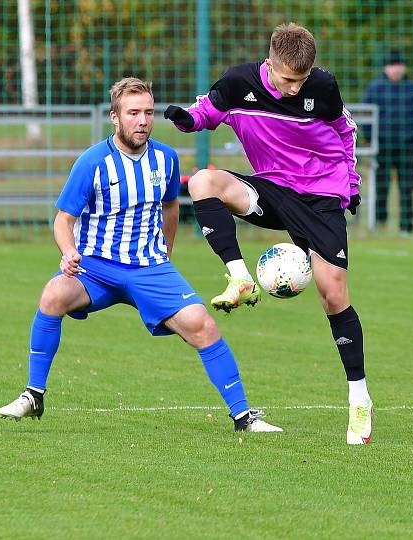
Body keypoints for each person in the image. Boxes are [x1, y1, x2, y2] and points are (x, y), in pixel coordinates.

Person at [0, 78, 282, 434]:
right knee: (53, 296)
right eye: (133, 113)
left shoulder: (166, 158)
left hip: (150, 269)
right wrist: (69, 251)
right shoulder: (92, 162)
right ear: (115, 117)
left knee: (203, 326)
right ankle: (33, 395)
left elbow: (170, 208)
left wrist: (165, 255)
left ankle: (243, 417)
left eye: (148, 112)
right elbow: (63, 220)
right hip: (95, 270)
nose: (143, 120)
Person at [164, 23, 374, 445]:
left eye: (302, 79)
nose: (295, 88)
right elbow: (207, 111)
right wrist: (186, 120)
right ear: (270, 63)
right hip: (272, 188)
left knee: (333, 296)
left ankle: (359, 398)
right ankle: (240, 277)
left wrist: (349, 186)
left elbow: (346, 132)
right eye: (287, 79)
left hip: (320, 196)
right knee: (203, 182)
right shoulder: (239, 81)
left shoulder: (323, 87)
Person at [362, 49, 413, 233]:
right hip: (382, 145)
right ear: (386, 67)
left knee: (407, 186)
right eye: (392, 65)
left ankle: (406, 225)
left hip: (407, 145)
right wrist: (370, 138)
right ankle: (380, 222)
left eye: (398, 65)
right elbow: (366, 114)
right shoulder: (375, 88)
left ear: (404, 67)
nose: (395, 69)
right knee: (381, 185)